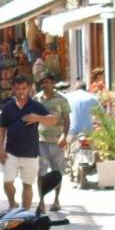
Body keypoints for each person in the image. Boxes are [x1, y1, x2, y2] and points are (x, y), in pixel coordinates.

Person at [0, 75, 58, 210]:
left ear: (29, 88)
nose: (21, 92)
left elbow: (53, 120)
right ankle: (12, 204)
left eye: (24, 88)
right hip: (11, 153)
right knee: (7, 183)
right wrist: (0, 150)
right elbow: (1, 130)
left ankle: (25, 214)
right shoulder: (8, 107)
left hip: (30, 153)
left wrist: (37, 118)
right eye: (18, 89)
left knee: (27, 185)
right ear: (13, 89)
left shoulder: (35, 106)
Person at [36, 73, 70, 213]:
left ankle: (56, 199)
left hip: (57, 142)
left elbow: (66, 120)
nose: (45, 85)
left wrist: (64, 136)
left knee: (57, 173)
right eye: (43, 83)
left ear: (53, 83)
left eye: (47, 82)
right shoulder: (37, 99)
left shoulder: (62, 100)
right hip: (41, 142)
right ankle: (41, 201)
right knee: (41, 172)